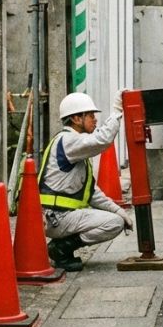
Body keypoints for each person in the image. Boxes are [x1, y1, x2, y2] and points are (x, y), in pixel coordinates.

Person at [39, 91, 133, 271]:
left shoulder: (74, 146)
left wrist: (120, 211)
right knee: (113, 224)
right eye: (90, 115)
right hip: (57, 218)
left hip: (56, 217)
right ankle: (60, 249)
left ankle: (61, 247)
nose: (95, 120)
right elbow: (102, 140)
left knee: (116, 219)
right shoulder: (69, 140)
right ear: (75, 118)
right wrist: (117, 111)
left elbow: (92, 194)